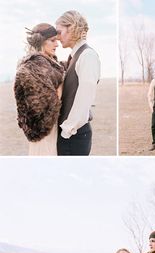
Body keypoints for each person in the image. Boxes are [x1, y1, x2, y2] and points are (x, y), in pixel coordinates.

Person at [14, 23, 65, 156]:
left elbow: (55, 74)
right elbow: (41, 104)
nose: (57, 44)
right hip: (42, 130)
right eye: (52, 40)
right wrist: (60, 87)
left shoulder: (48, 63)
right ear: (41, 42)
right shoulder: (32, 67)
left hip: (52, 128)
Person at [56, 10, 101, 156]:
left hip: (74, 136)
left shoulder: (87, 56)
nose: (57, 37)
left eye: (59, 32)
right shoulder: (74, 55)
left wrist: (66, 131)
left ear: (72, 28)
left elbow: (84, 99)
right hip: (70, 133)